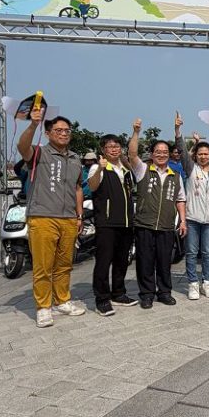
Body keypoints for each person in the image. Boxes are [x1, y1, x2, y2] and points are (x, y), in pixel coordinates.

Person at [16, 109, 85, 328]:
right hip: (43, 217)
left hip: (68, 218)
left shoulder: (75, 159)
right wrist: (33, 125)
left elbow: (77, 189)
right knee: (43, 265)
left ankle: (62, 300)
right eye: (58, 130)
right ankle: (43, 307)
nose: (64, 134)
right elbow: (22, 147)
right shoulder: (39, 154)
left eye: (67, 130)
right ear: (48, 133)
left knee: (64, 264)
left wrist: (79, 214)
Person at [128, 117, 187, 309]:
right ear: (152, 154)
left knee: (164, 261)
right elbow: (132, 154)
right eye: (158, 152)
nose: (161, 155)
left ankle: (164, 292)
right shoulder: (143, 170)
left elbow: (180, 199)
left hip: (166, 226)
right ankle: (146, 294)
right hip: (145, 224)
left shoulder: (175, 176)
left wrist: (183, 221)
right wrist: (136, 132)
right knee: (145, 261)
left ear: (169, 155)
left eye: (165, 152)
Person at [87, 134, 138, 315]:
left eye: (117, 146)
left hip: (125, 223)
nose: (114, 149)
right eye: (110, 146)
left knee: (122, 261)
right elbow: (92, 186)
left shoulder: (125, 169)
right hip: (106, 223)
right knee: (103, 261)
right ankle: (102, 298)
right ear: (103, 150)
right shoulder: (97, 167)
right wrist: (100, 170)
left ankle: (118, 293)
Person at [175, 113, 209, 300]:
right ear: (196, 155)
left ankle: (207, 282)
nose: (203, 157)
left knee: (208, 253)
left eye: (206, 154)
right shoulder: (190, 168)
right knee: (192, 252)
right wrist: (178, 130)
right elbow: (181, 150)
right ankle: (193, 284)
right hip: (193, 218)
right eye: (200, 154)